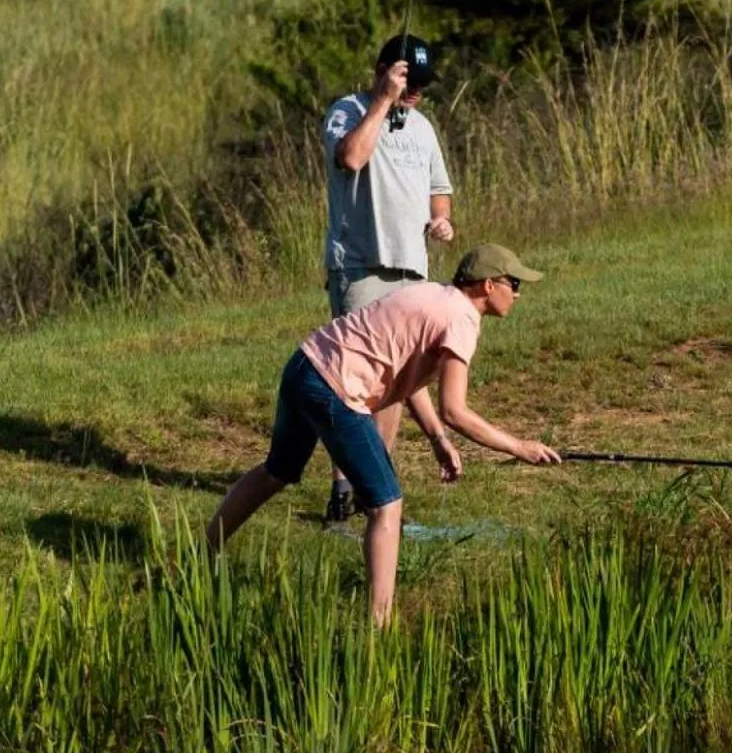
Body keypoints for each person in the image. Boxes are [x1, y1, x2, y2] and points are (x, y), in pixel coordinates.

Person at [206, 244, 562, 625]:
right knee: (387, 505)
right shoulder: (461, 318)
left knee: (277, 471)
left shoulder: (434, 294)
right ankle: (380, 626)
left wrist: (437, 439)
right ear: (489, 285)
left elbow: (407, 372)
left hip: (305, 365)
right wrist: (520, 447)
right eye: (514, 284)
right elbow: (456, 410)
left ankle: (204, 553)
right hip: (335, 387)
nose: (519, 293)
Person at [320, 33, 456, 522]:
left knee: (395, 381)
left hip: (412, 267)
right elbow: (351, 158)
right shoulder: (348, 110)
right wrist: (382, 100)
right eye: (408, 81)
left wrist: (441, 220)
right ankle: (341, 489)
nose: (415, 93)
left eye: (422, 84)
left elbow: (439, 191)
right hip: (360, 266)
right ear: (381, 70)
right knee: (352, 382)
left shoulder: (423, 128)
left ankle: (371, 486)